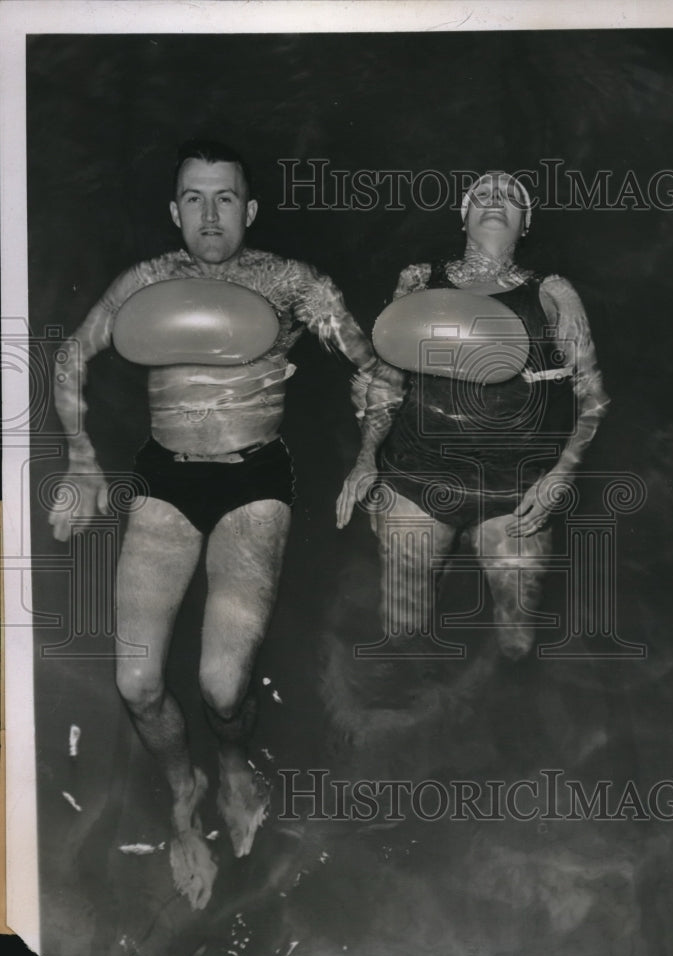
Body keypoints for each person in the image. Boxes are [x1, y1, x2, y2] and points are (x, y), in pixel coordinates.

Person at [49, 138, 403, 909]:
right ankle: (186, 788)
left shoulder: (289, 284)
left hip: (254, 482)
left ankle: (235, 758)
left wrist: (371, 453)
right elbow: (72, 355)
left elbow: (374, 364)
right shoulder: (145, 285)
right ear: (176, 211)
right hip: (165, 478)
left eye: (225, 199)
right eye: (194, 199)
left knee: (220, 683)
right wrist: (82, 461)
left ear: (250, 209)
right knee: (137, 682)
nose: (210, 215)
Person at [336, 171, 609, 701]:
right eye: (482, 195)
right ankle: (417, 714)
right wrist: (367, 458)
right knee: (404, 631)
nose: (494, 202)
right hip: (414, 478)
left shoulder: (551, 293)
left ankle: (501, 713)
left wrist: (560, 476)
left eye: (510, 199)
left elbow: (592, 397)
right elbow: (386, 379)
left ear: (524, 224)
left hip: (515, 493)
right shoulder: (418, 280)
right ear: (463, 215)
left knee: (517, 642)